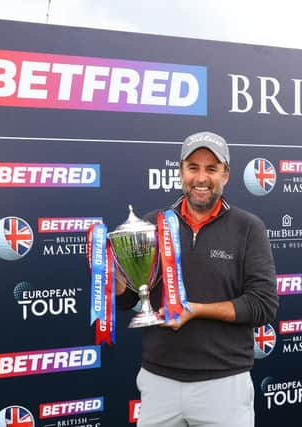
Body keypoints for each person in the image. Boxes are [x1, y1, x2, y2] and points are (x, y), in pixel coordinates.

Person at [116, 131, 279, 427]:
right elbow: (128, 299)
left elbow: (262, 306)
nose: (201, 178)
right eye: (193, 167)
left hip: (224, 384)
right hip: (159, 381)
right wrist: (113, 273)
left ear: (226, 175)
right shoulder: (151, 224)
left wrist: (197, 310)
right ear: (180, 172)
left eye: (211, 169)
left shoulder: (248, 228)